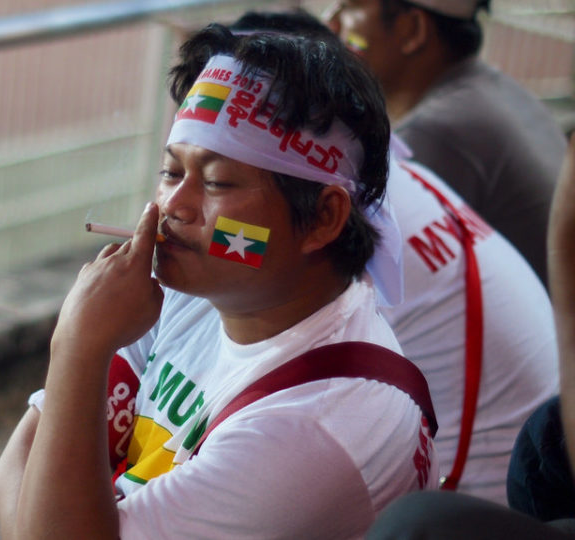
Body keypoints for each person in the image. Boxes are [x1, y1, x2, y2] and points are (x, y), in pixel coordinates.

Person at [0, 24, 437, 539]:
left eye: (217, 182)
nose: (172, 207)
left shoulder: (313, 429)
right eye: (171, 171)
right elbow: (9, 473)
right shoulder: (198, 290)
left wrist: (77, 347)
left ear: (322, 218)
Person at [231, 8, 558, 505]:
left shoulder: (339, 202)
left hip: (487, 501)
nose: (335, 18)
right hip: (541, 466)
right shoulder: (387, 163)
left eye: (213, 176)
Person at [365, 136, 575, 540]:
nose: (200, 204)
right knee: (543, 438)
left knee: (414, 527)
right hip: (522, 474)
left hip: (473, 486)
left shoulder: (438, 133)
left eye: (218, 181)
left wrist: (566, 255)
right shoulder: (402, 169)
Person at [325, 0, 566, 285]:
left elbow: (353, 273)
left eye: (352, 6)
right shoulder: (492, 90)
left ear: (412, 30)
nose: (333, 22)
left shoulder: (436, 132)